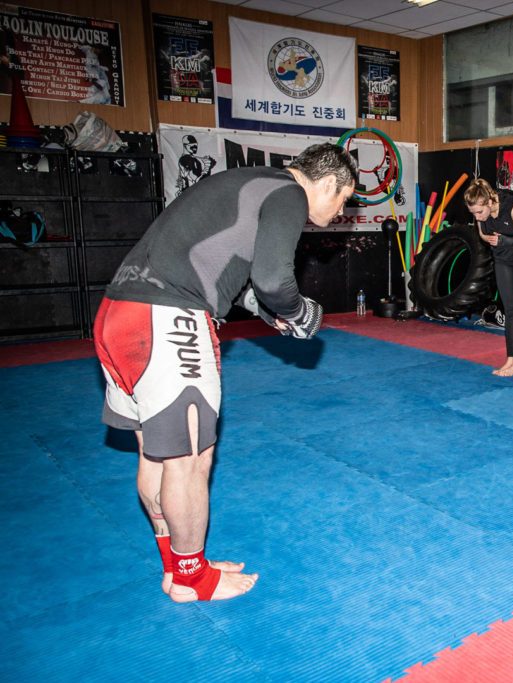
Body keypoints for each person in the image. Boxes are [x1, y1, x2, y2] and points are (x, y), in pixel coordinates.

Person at [93, 142, 357, 602]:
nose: (340, 212)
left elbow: (218, 264)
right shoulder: (289, 194)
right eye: (343, 200)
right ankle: (192, 582)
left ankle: (179, 567)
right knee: (190, 461)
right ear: (329, 182)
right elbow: (274, 280)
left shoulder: (249, 182)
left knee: (157, 457)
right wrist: (296, 312)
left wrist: (266, 310)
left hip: (120, 315)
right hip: (168, 320)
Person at [464, 178, 513, 376]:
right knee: (510, 311)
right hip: (502, 260)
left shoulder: (512, 209)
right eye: (473, 214)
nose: (478, 217)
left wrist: (507, 240)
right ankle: (510, 359)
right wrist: (484, 235)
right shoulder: (482, 217)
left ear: (489, 202)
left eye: (480, 212)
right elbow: (483, 232)